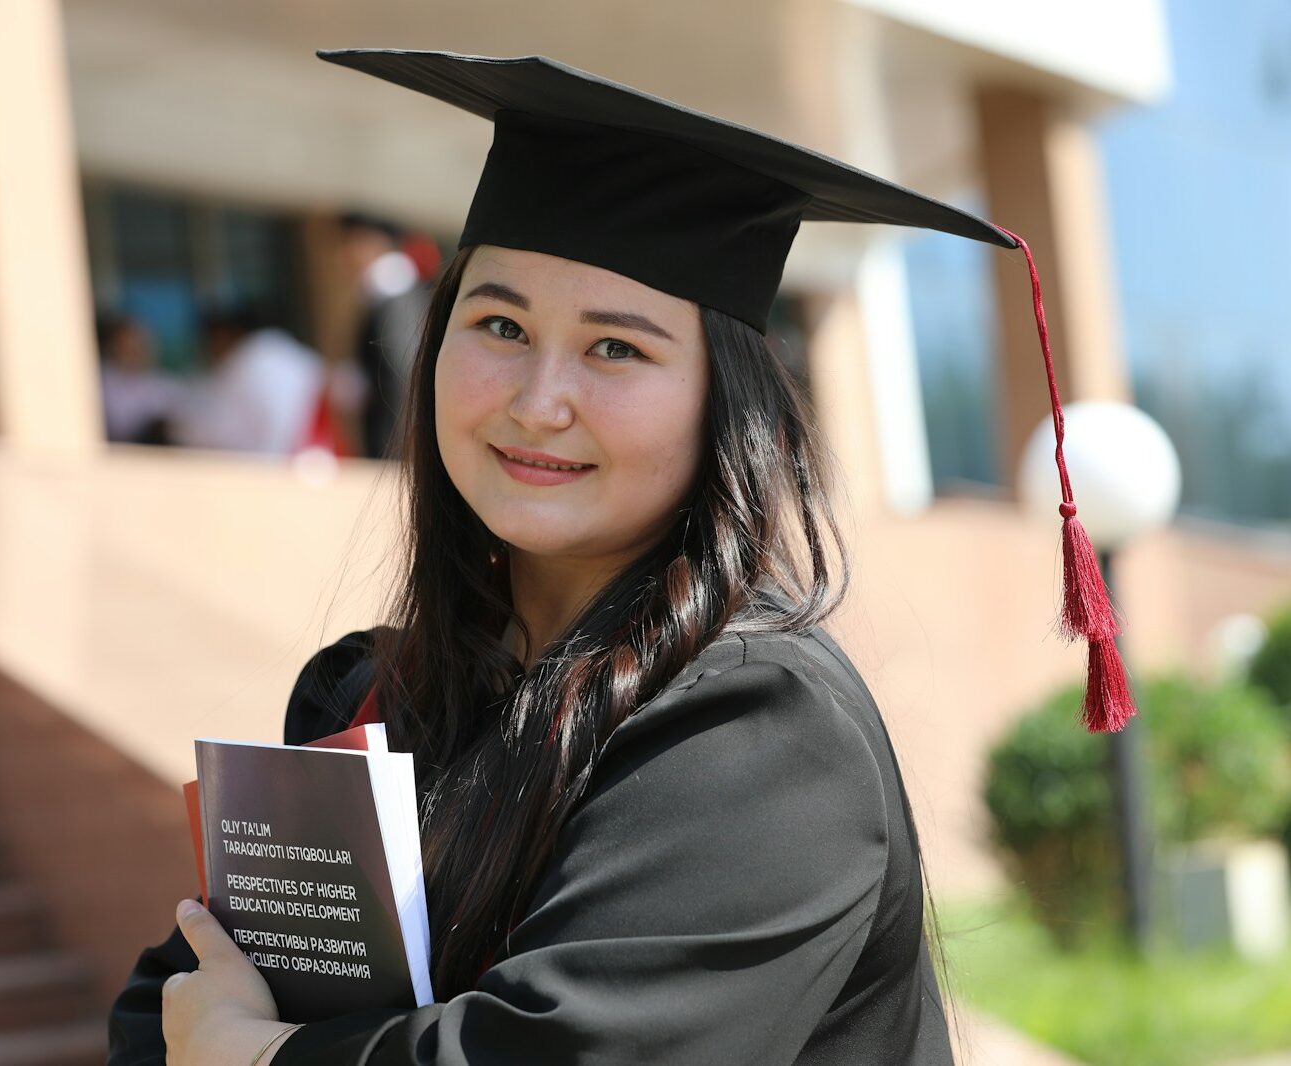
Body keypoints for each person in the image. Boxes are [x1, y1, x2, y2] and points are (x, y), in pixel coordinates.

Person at [106, 49, 1133, 1066]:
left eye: (615, 348)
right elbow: (166, 1001)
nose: (536, 398)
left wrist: (258, 1056)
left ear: (721, 403)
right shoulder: (374, 696)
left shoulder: (757, 729)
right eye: (499, 323)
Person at [333, 210, 433, 459]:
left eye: (348, 243)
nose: (342, 257)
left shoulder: (397, 301)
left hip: (395, 454)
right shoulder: (387, 297)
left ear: (371, 242)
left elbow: (404, 381)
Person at [171, 307, 327, 457]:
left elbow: (212, 433)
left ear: (224, 337)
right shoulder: (282, 350)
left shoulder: (244, 363)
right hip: (318, 453)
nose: (210, 352)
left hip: (290, 459)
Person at [96, 311, 188, 446]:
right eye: (129, 345)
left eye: (141, 344)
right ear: (115, 346)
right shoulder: (102, 384)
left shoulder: (168, 386)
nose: (136, 351)